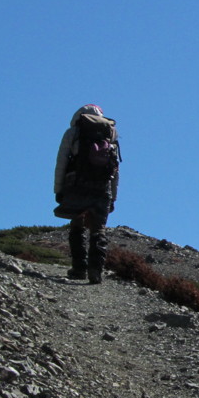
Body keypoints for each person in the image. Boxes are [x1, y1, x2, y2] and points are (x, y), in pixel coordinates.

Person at [54, 104, 121, 284]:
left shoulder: (73, 132)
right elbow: (115, 168)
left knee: (77, 223)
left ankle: (79, 268)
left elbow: (61, 161)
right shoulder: (110, 133)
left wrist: (58, 189)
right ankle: (96, 270)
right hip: (102, 187)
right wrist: (113, 196)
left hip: (76, 183)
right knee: (98, 229)